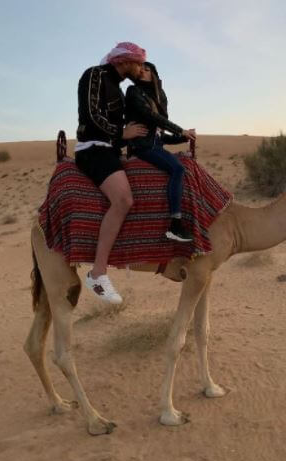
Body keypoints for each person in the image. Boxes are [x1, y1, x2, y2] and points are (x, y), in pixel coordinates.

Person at [75, 42, 148, 305]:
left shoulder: (118, 89)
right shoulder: (94, 74)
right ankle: (97, 273)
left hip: (110, 150)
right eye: (138, 63)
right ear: (123, 61)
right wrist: (121, 133)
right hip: (92, 149)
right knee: (123, 200)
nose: (140, 68)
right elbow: (92, 114)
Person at [125, 62, 196, 242]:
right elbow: (151, 117)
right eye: (140, 68)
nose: (141, 70)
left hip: (154, 145)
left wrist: (183, 138)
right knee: (177, 169)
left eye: (146, 69)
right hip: (141, 147)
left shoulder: (159, 97)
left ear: (154, 75)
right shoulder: (133, 92)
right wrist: (180, 130)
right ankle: (175, 225)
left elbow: (159, 135)